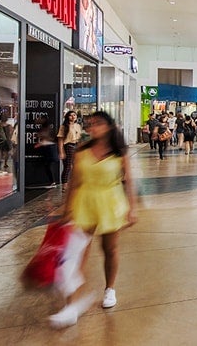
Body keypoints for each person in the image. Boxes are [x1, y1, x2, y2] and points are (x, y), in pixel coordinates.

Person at [50, 111, 137, 327]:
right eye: (89, 124)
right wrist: (66, 209)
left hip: (111, 203)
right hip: (85, 203)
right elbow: (74, 182)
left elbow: (129, 181)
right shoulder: (82, 149)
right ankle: (70, 305)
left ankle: (110, 289)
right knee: (76, 254)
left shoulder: (119, 152)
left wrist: (132, 208)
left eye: (97, 123)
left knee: (110, 249)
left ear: (109, 126)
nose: (92, 128)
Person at [57, 110, 84, 184]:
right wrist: (61, 152)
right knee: (68, 166)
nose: (73, 117)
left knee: (76, 166)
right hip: (68, 146)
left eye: (74, 115)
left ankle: (73, 182)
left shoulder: (78, 126)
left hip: (76, 145)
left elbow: (80, 137)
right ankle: (64, 184)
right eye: (71, 115)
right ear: (67, 117)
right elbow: (60, 140)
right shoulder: (64, 127)